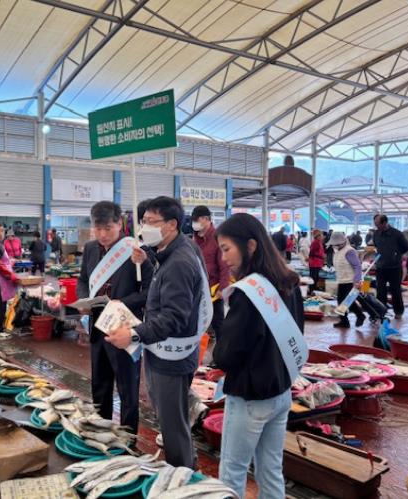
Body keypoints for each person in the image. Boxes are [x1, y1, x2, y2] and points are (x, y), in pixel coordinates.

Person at [106, 196, 210, 468]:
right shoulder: (176, 249)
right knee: (173, 419)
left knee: (172, 425)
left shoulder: (179, 262)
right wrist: (149, 260)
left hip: (170, 356)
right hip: (168, 351)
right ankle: (186, 466)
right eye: (143, 221)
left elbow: (174, 317)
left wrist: (134, 334)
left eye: (151, 222)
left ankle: (183, 477)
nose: (144, 228)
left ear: (171, 224)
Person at [213, 213, 304, 499]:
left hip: (250, 396)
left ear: (250, 246)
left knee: (232, 471)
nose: (224, 258)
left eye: (227, 249)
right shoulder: (289, 282)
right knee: (271, 469)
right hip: (281, 392)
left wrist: (218, 346)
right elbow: (298, 335)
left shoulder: (248, 292)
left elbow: (227, 354)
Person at [76, 201, 152, 434]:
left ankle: (128, 438)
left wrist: (123, 302)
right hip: (97, 324)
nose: (102, 234)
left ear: (120, 224)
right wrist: (83, 300)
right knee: (100, 383)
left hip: (124, 326)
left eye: (108, 228)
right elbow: (83, 279)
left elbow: (150, 291)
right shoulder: (90, 248)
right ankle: (101, 432)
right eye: (98, 228)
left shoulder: (136, 250)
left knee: (127, 386)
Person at [191, 205, 229, 336]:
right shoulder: (195, 238)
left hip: (214, 289)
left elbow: (224, 265)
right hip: (198, 288)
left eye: (197, 219)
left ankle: (222, 347)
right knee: (199, 321)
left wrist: (223, 288)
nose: (194, 223)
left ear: (207, 219)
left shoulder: (217, 237)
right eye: (193, 220)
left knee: (218, 322)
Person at [373, 214, 408, 319]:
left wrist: (396, 254)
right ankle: (380, 312)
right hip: (380, 267)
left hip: (395, 268)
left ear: (385, 223)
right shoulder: (376, 234)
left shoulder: (397, 234)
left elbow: (407, 246)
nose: (376, 226)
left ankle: (398, 312)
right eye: (375, 224)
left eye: (378, 224)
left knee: (395, 290)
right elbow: (376, 246)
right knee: (380, 291)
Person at [328, 232, 365, 328]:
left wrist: (357, 280)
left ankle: (360, 315)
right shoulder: (338, 251)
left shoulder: (349, 251)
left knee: (348, 302)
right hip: (342, 280)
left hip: (350, 281)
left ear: (342, 242)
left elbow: (357, 266)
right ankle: (344, 321)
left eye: (337, 244)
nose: (335, 246)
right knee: (341, 302)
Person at [308, 230, 325, 294]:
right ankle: (312, 290)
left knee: (316, 277)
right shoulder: (315, 242)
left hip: (317, 262)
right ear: (317, 236)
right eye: (320, 235)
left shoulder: (319, 242)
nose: (322, 236)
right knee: (313, 277)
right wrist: (321, 256)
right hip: (314, 263)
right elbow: (312, 253)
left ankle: (314, 289)